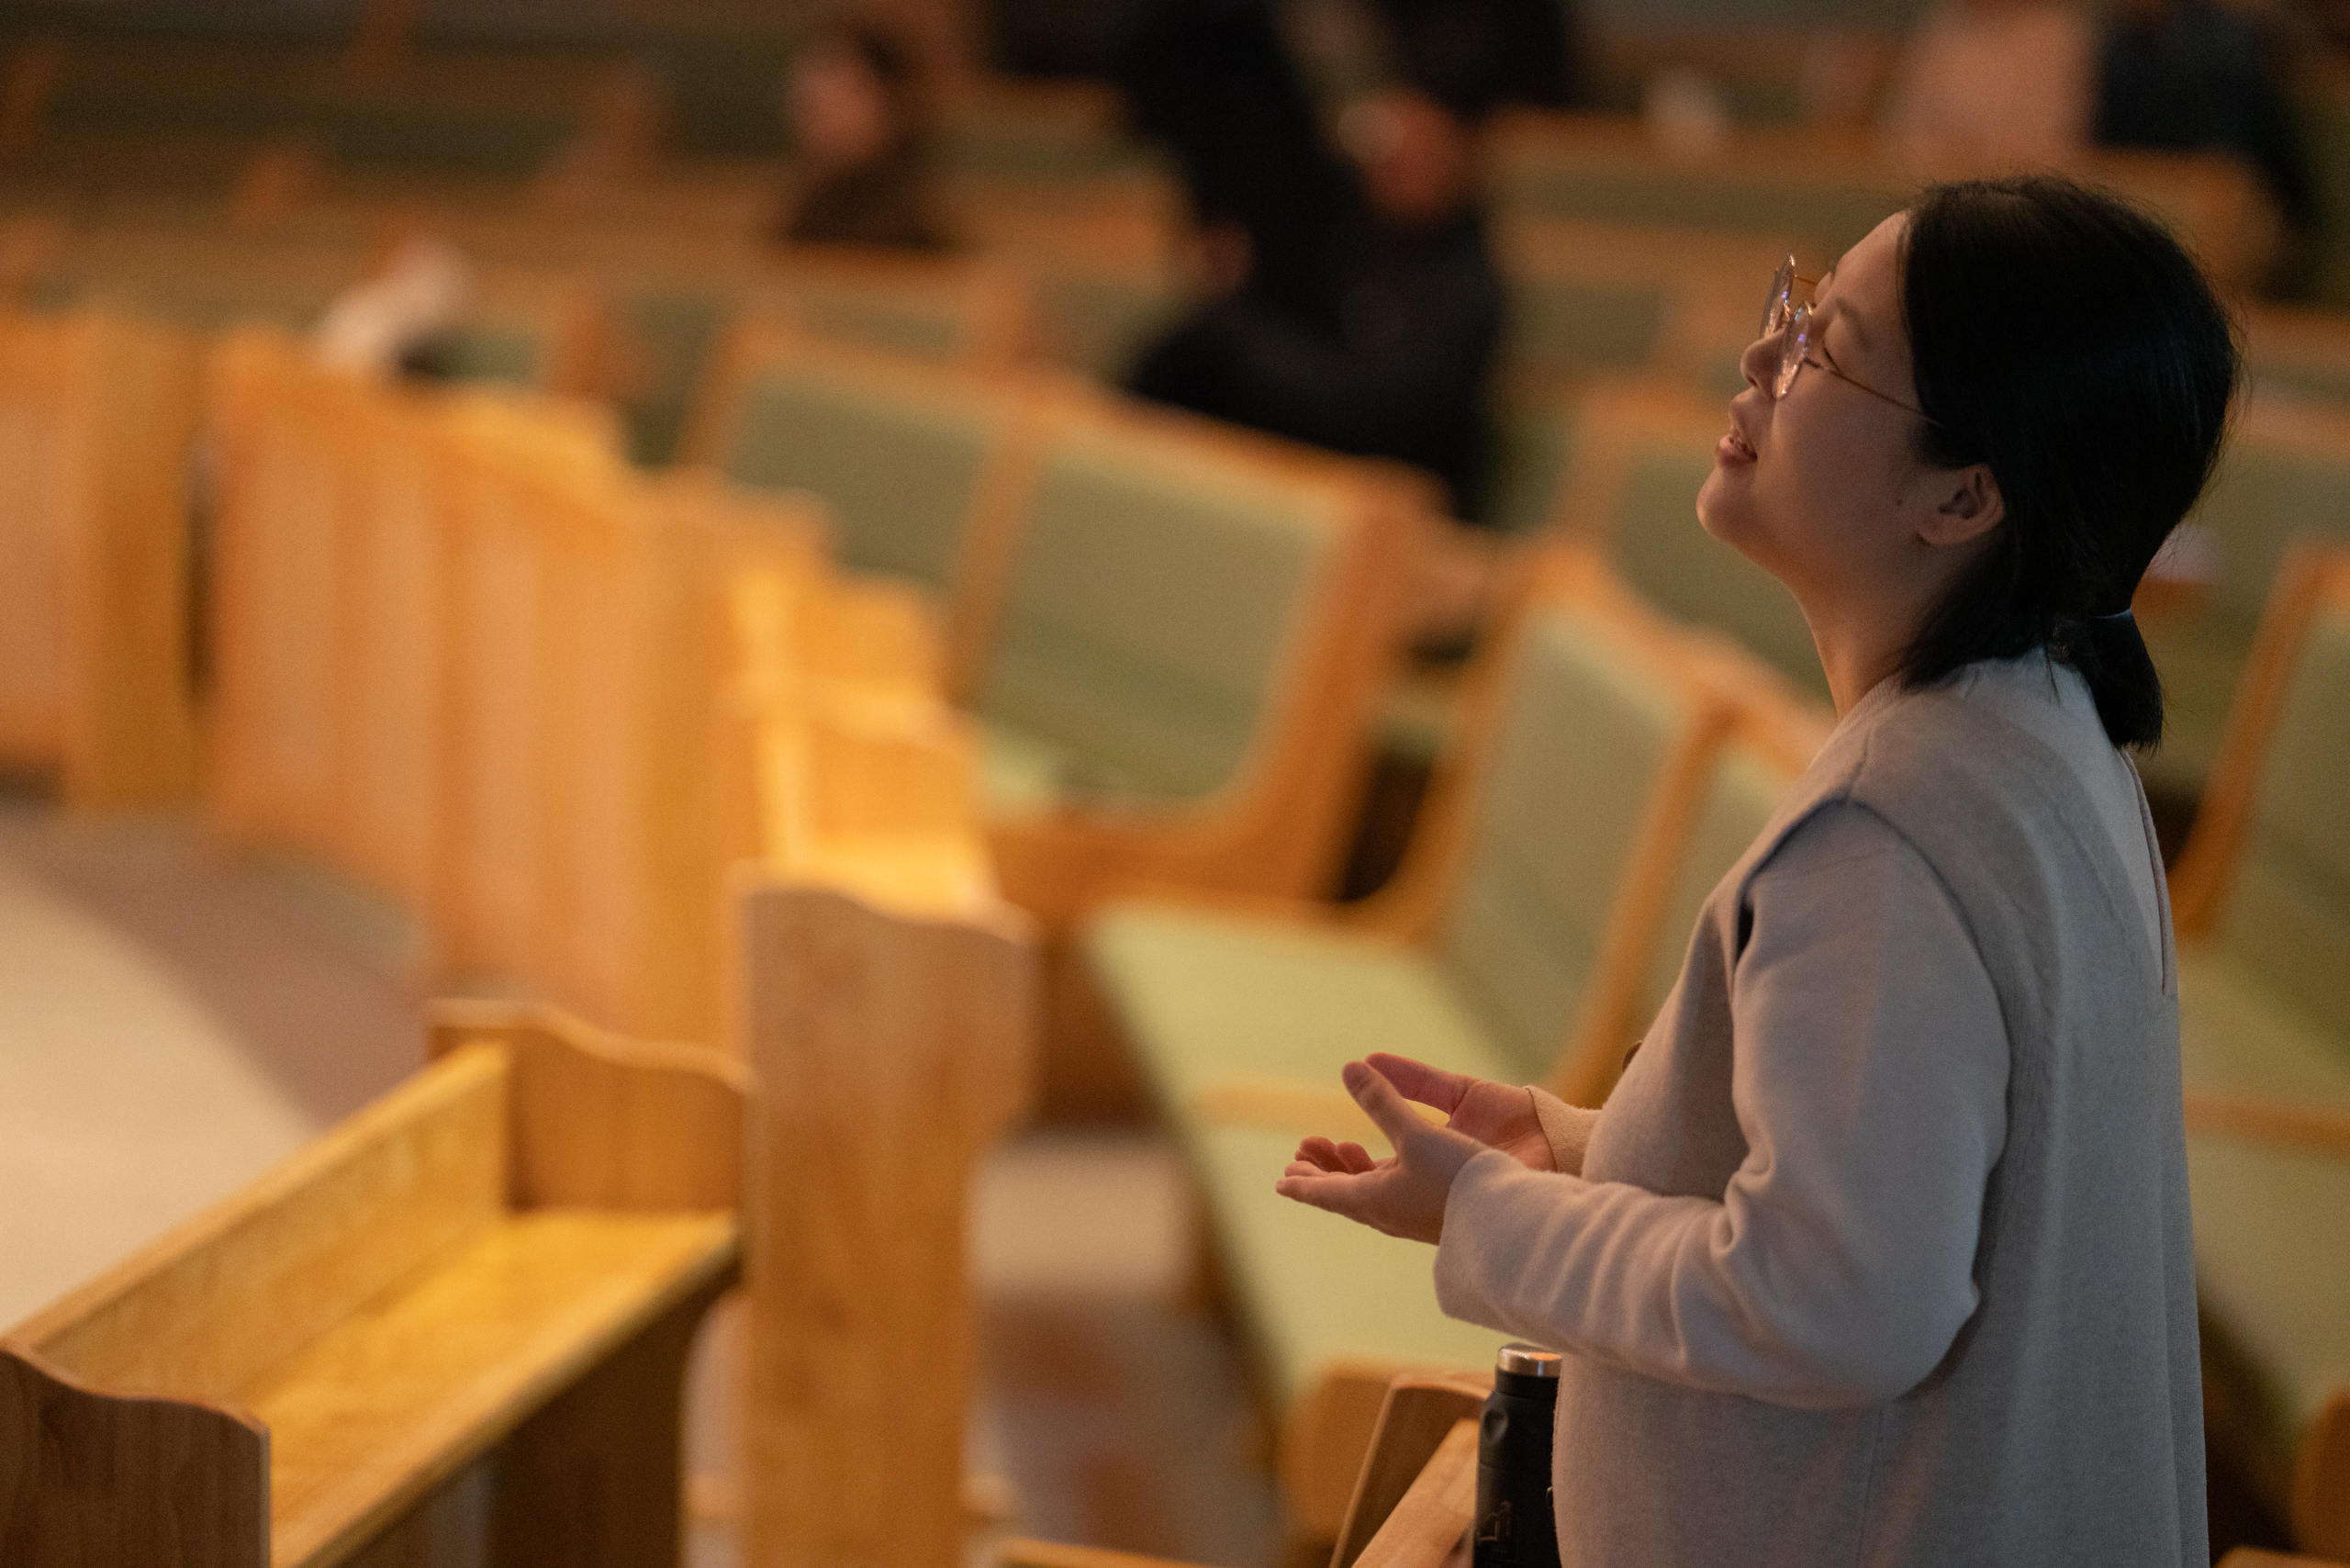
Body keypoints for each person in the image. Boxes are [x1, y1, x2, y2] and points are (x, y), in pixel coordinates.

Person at [1275, 174, 2235, 1565]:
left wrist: (1491, 1217)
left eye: (1827, 348)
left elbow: (1838, 1306)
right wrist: (1589, 1149)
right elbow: (1913, 1188)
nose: (1760, 355)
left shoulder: (1890, 826)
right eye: (1797, 307)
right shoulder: (2038, 729)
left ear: (1963, 493)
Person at [1118, 0, 1514, 521]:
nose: (1393, 159)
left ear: (1460, 155)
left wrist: (1233, 314)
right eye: (1388, 140)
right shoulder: (1344, 233)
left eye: (1419, 145)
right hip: (1299, 487)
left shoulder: (1471, 289)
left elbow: (1358, 414)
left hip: (1395, 515)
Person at [775, 22, 949, 252]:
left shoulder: (893, 230)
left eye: (847, 90)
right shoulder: (812, 209)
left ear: (893, 105)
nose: (824, 104)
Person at [1880, 0, 2095, 167]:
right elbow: (1903, 131)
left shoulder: (2053, 36)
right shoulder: (1940, 29)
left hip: (2020, 192)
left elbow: (2049, 141)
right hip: (1939, 183)